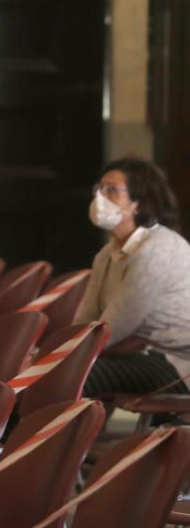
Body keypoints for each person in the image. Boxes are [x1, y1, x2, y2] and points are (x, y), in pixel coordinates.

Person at [76, 157, 190, 399]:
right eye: (99, 189)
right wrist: (62, 351)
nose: (100, 199)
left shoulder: (159, 248)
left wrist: (71, 355)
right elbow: (84, 321)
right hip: (134, 355)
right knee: (52, 371)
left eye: (112, 191)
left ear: (139, 203)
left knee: (73, 375)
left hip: (176, 363)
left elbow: (114, 326)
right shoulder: (105, 256)